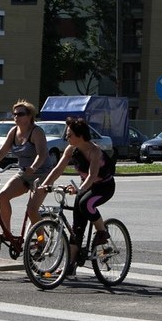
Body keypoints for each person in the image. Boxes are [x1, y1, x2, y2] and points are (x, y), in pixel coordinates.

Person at [39, 117, 116, 279]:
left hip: (104, 187)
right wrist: (44, 185)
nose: (67, 138)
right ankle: (70, 266)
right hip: (85, 186)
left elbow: (93, 175)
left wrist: (79, 189)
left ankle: (102, 232)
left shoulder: (95, 151)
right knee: (77, 228)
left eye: (69, 135)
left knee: (86, 204)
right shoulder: (71, 149)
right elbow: (57, 169)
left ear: (80, 136)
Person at [0, 100, 53, 238]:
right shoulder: (13, 131)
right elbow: (2, 152)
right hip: (24, 173)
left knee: (32, 210)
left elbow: (42, 154)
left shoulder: (36, 132)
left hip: (42, 174)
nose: (16, 117)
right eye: (14, 114)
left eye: (20, 114)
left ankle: (41, 241)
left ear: (30, 116)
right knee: (3, 196)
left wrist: (34, 167)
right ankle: (7, 232)